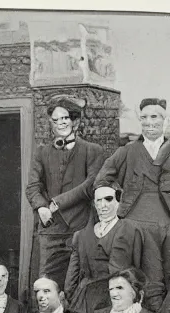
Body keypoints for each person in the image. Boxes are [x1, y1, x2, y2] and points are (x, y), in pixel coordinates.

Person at [94, 98, 170, 313]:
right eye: (144, 117)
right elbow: (101, 181)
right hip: (136, 224)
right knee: (148, 279)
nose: (148, 122)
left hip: (167, 221)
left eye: (154, 117)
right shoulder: (127, 151)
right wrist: (115, 204)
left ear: (165, 119)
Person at [26, 95, 105, 289]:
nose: (61, 123)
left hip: (80, 226)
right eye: (56, 120)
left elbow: (90, 185)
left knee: (79, 283)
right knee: (46, 283)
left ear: (75, 121)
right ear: (51, 124)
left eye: (65, 118)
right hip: (50, 228)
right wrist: (42, 207)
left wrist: (56, 203)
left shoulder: (92, 150)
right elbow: (33, 186)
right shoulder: (41, 152)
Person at [65, 183, 164, 313]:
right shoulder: (81, 236)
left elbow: (145, 271)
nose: (103, 205)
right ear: (94, 204)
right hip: (85, 306)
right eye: (98, 201)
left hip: (119, 302)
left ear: (118, 202)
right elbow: (70, 281)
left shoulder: (129, 229)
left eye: (108, 199)